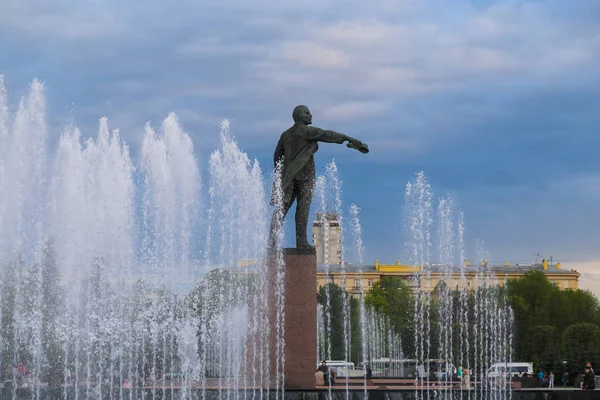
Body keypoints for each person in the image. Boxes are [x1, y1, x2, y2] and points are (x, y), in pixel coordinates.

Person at [268, 105, 368, 249]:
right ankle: (301, 242)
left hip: (289, 176)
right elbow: (328, 134)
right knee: (303, 208)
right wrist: (351, 140)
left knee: (281, 209)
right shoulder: (307, 131)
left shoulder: (285, 135)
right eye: (307, 113)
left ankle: (272, 241)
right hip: (305, 176)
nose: (311, 115)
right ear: (299, 116)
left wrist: (280, 176)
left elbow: (277, 156)